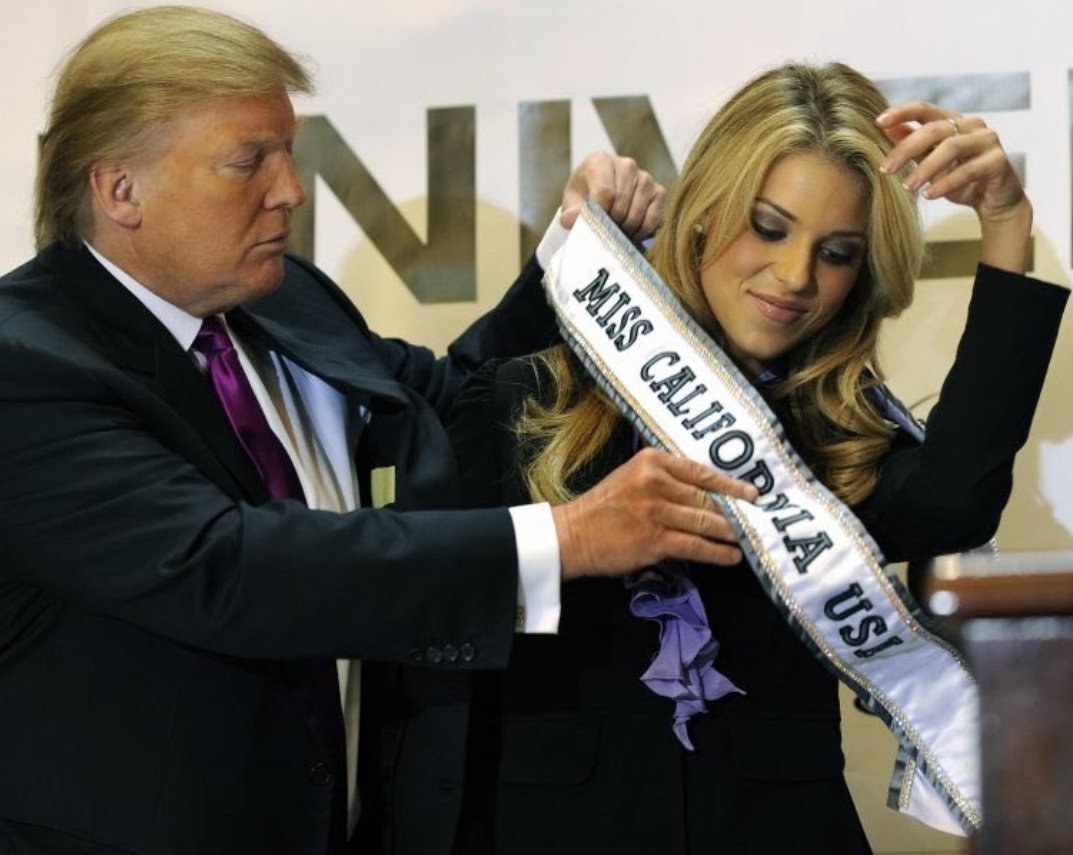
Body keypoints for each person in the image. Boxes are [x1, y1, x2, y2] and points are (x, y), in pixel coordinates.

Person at [0, 6, 762, 855]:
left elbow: (464, 407)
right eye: (247, 161)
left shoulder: (283, 296)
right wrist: (566, 539)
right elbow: (225, 564)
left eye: (288, 152)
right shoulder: (24, 364)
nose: (290, 188)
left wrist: (573, 260)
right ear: (119, 189)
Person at [373, 62, 1070, 854]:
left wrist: (1006, 223)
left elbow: (954, 503)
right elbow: (424, 596)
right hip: (552, 827)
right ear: (705, 212)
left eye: (836, 252)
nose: (795, 276)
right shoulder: (530, 397)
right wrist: (571, 253)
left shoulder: (834, 434)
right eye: (769, 227)